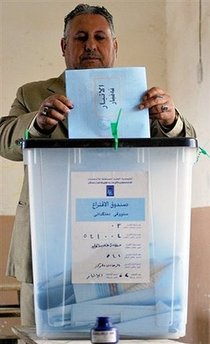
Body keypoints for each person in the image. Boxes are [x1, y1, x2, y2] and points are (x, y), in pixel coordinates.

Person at [0, 3, 196, 326]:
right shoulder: (34, 95)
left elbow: (188, 142)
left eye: (100, 37)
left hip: (118, 244)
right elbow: (4, 138)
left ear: (115, 46)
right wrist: (37, 122)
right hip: (48, 250)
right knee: (44, 336)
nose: (90, 45)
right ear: (64, 46)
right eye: (80, 37)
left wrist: (171, 119)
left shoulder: (141, 98)